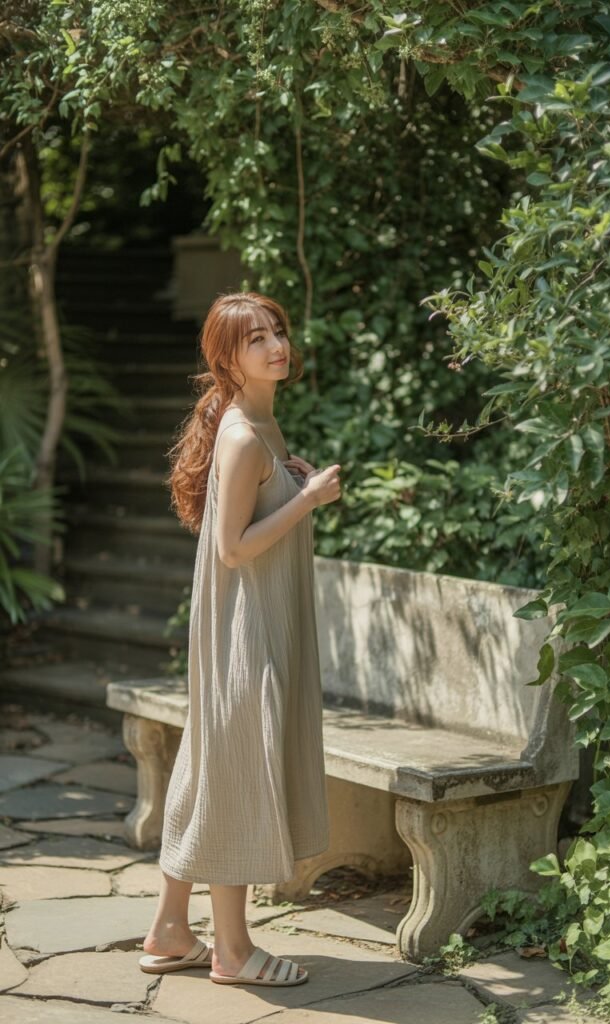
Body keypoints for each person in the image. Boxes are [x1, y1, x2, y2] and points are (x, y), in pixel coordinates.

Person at [138, 291, 341, 988]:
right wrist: (310, 501)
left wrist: (291, 482)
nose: (275, 345)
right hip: (244, 634)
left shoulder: (259, 424)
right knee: (233, 774)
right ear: (227, 356)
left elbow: (253, 501)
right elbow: (230, 548)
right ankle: (232, 950)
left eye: (277, 331)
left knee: (208, 768)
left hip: (248, 624)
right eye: (256, 339)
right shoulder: (244, 433)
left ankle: (170, 930)